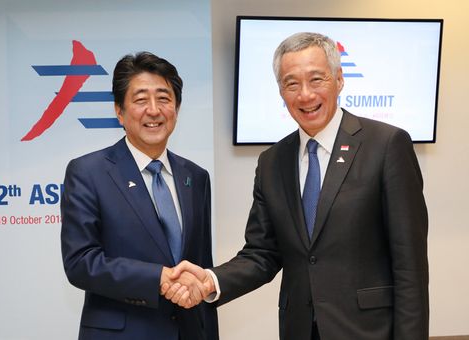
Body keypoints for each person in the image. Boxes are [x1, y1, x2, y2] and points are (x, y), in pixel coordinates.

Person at [164, 32, 429, 339]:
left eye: (317, 79)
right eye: (292, 83)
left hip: (368, 331)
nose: (305, 95)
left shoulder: (386, 145)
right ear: (281, 91)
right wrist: (211, 281)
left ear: (339, 80)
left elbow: (410, 265)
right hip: (299, 329)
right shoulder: (272, 161)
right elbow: (262, 254)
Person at [60, 51, 218, 340]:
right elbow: (80, 263)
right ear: (119, 111)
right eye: (141, 99)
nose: (154, 110)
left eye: (164, 98)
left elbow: (201, 265)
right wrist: (155, 278)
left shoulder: (196, 177)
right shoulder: (88, 172)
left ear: (177, 109)